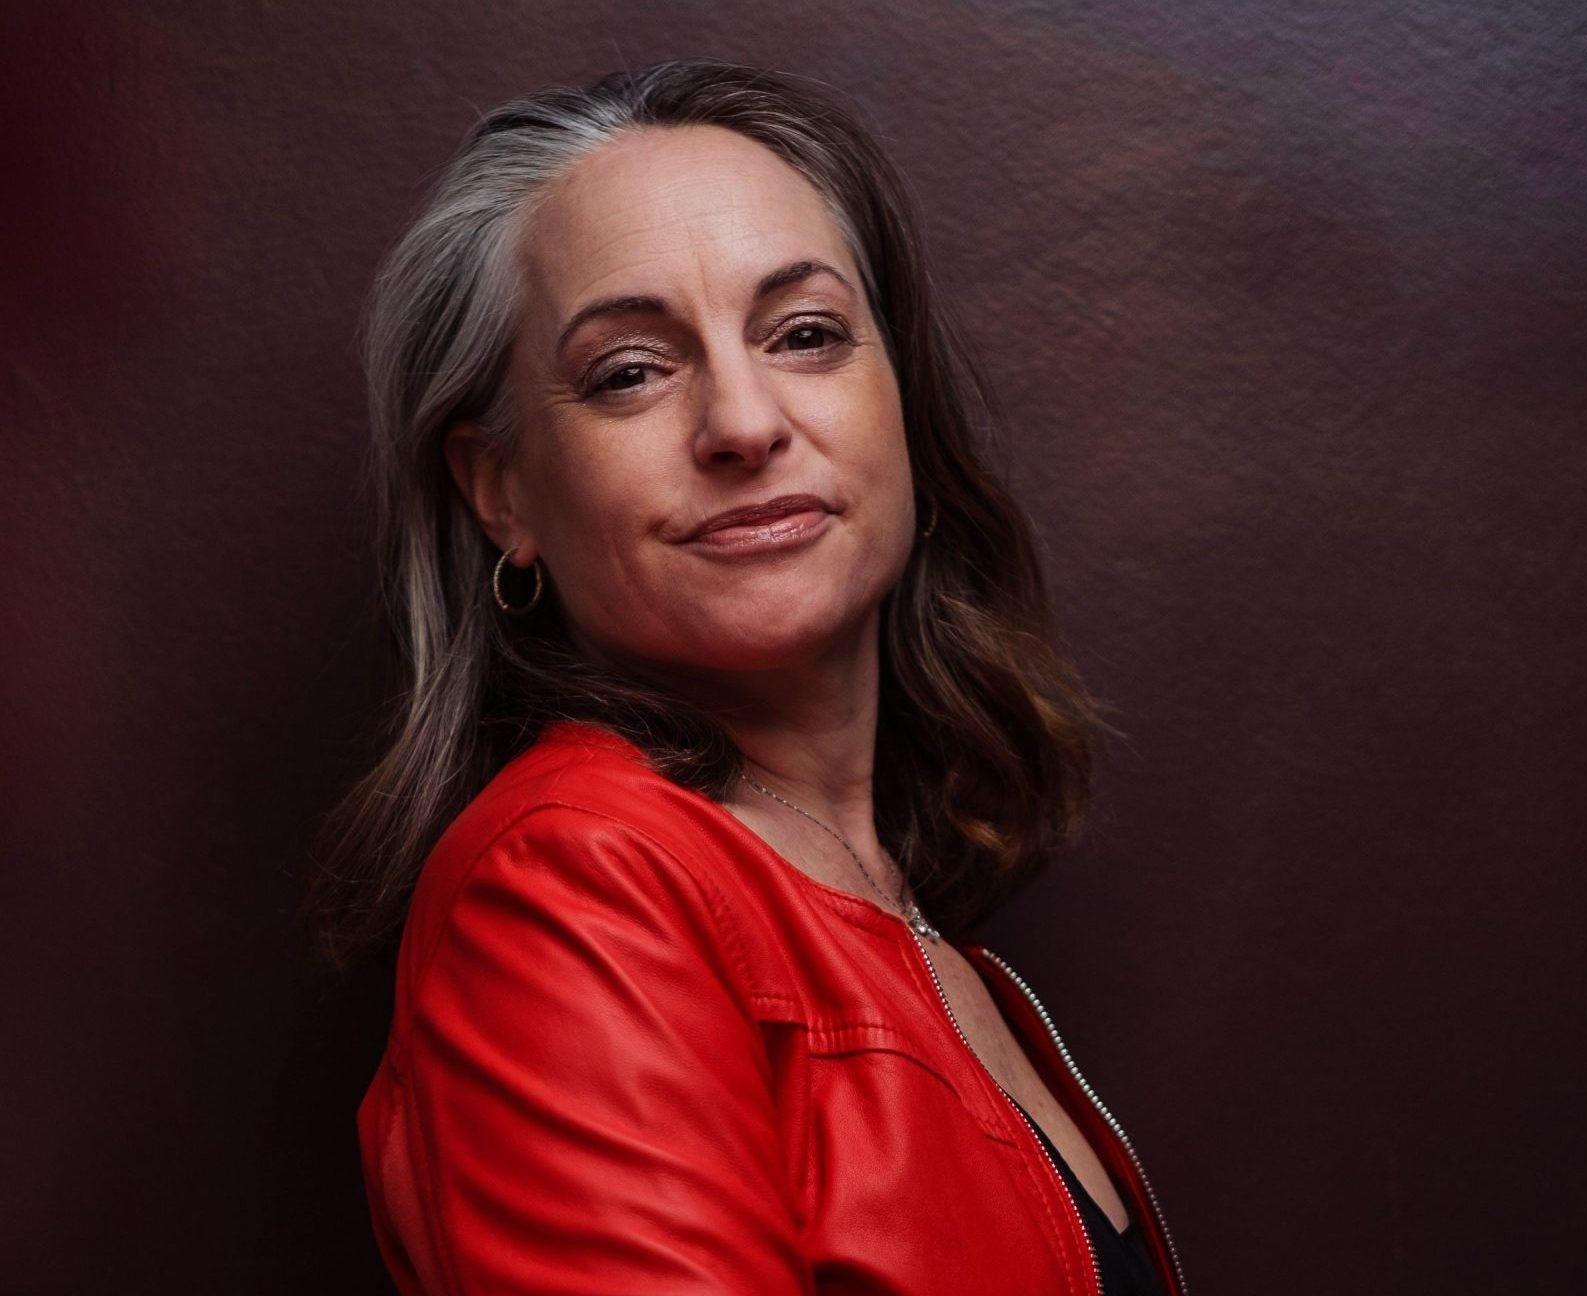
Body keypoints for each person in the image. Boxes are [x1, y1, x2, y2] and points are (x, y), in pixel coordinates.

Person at [309, 59, 1185, 1294]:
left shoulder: (906, 922)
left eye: (806, 335)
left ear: (900, 408)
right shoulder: (570, 885)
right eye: (630, 371)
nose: (743, 421)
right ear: (502, 491)